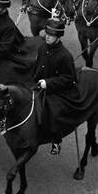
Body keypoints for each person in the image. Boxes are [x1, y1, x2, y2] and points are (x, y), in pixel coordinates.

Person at [31, 14, 79, 156]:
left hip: (59, 91)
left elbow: (69, 79)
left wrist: (48, 83)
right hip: (40, 85)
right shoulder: (41, 48)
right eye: (47, 34)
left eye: (51, 35)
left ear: (58, 37)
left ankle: (56, 141)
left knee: (53, 112)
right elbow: (37, 68)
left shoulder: (65, 56)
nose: (47, 37)